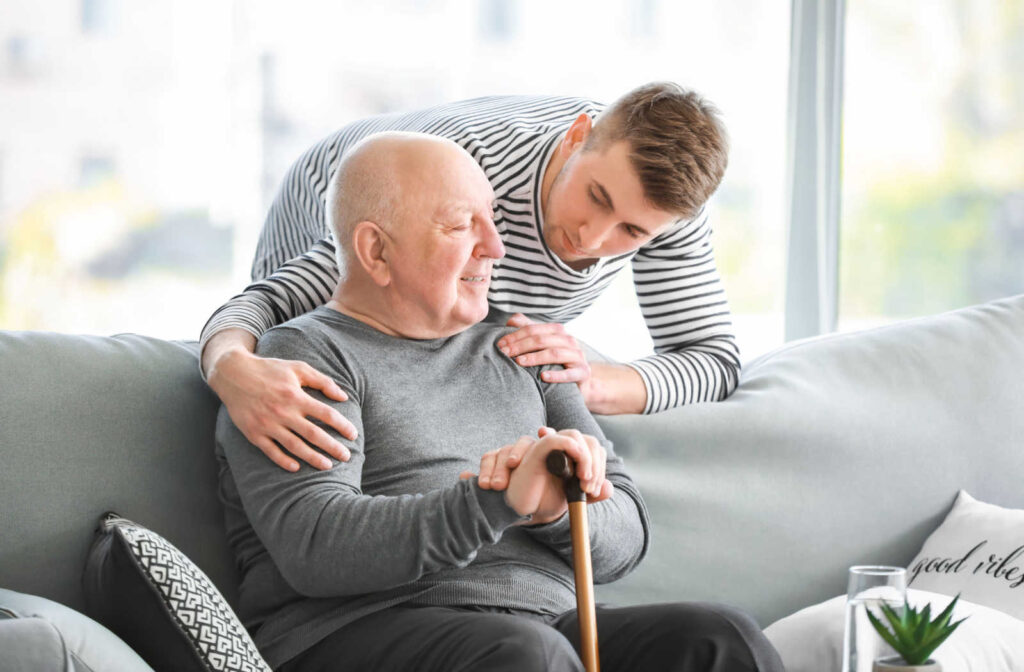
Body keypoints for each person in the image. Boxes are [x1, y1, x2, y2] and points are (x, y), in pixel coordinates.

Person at [215, 132, 782, 672]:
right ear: (375, 250)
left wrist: (557, 508)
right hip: (360, 629)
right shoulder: (299, 360)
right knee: (528, 657)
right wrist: (498, 502)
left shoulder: (524, 347)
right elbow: (317, 547)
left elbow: (626, 533)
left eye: (493, 218)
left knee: (721, 641)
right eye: (463, 225)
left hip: (541, 627)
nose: (496, 247)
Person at [203, 82, 742, 473]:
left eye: (631, 230)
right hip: (337, 189)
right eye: (596, 197)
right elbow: (266, 304)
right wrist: (231, 368)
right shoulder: (471, 177)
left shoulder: (670, 208)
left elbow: (713, 359)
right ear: (578, 136)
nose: (594, 238)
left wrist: (596, 381)